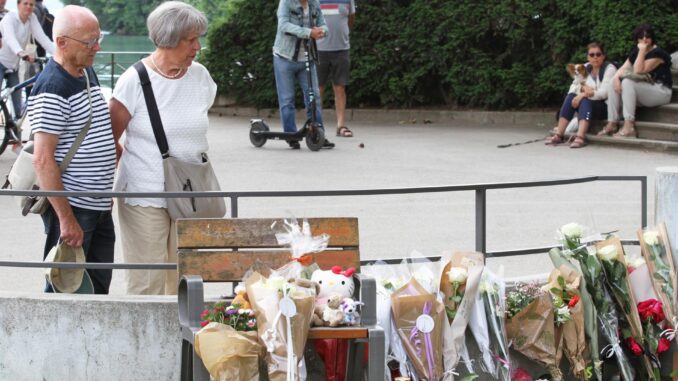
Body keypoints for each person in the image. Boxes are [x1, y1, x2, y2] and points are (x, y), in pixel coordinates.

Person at [109, 1, 216, 295]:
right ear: (168, 39)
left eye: (199, 39)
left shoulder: (201, 76)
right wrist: (114, 184)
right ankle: (143, 341)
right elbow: (110, 138)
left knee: (185, 279)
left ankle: (178, 340)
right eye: (191, 39)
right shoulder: (134, 80)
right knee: (148, 282)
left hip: (190, 193)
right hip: (145, 194)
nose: (198, 46)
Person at [29, 5, 116, 294]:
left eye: (98, 38)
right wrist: (66, 219)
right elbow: (42, 160)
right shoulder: (52, 87)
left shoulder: (84, 70)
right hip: (75, 208)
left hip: (98, 204)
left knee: (98, 287)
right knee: (65, 290)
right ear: (62, 43)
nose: (97, 47)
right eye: (90, 41)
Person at [273, 0, 334, 149]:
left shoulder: (314, 3)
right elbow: (284, 25)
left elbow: (323, 24)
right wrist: (308, 32)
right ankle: (291, 135)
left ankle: (317, 134)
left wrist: (322, 32)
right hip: (284, 57)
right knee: (287, 99)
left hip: (307, 57)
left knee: (314, 97)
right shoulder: (286, 2)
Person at [603, 24, 673, 138]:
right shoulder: (636, 51)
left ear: (652, 38)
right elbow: (624, 68)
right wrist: (615, 78)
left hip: (661, 91)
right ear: (637, 38)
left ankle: (629, 126)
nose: (645, 39)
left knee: (627, 82)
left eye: (648, 36)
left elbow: (638, 70)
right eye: (641, 36)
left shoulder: (658, 53)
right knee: (613, 83)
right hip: (645, 89)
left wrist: (641, 51)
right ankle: (612, 123)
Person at [546, 43, 616, 148]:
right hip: (587, 105)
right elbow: (574, 86)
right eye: (592, 55)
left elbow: (604, 93)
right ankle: (559, 134)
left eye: (598, 54)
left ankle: (580, 137)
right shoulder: (585, 67)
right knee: (570, 97)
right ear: (588, 57)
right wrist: (582, 90)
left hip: (604, 107)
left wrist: (584, 94)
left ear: (603, 56)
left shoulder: (609, 69)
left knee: (585, 99)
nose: (595, 57)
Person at [0, 0, 54, 117]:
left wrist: (59, 54)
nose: (28, 7)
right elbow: (10, 39)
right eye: (25, 3)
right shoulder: (9, 18)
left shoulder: (32, 18)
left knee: (17, 107)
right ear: (18, 4)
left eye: (31, 4)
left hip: (13, 66)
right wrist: (21, 53)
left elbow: (43, 38)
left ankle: (14, 132)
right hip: (1, 61)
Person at [317, 0, 355, 138]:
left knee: (340, 88)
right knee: (318, 88)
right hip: (319, 49)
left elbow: (351, 18)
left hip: (341, 49)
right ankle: (316, 125)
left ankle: (341, 125)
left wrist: (343, 35)